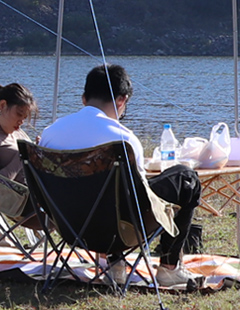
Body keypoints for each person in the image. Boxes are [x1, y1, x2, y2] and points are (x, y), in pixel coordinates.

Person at [39, 63, 202, 289]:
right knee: (186, 177)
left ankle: (115, 267)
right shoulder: (123, 139)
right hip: (116, 232)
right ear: (121, 100)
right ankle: (169, 268)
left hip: (68, 227)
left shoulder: (50, 132)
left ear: (84, 98)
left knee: (111, 195)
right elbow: (140, 197)